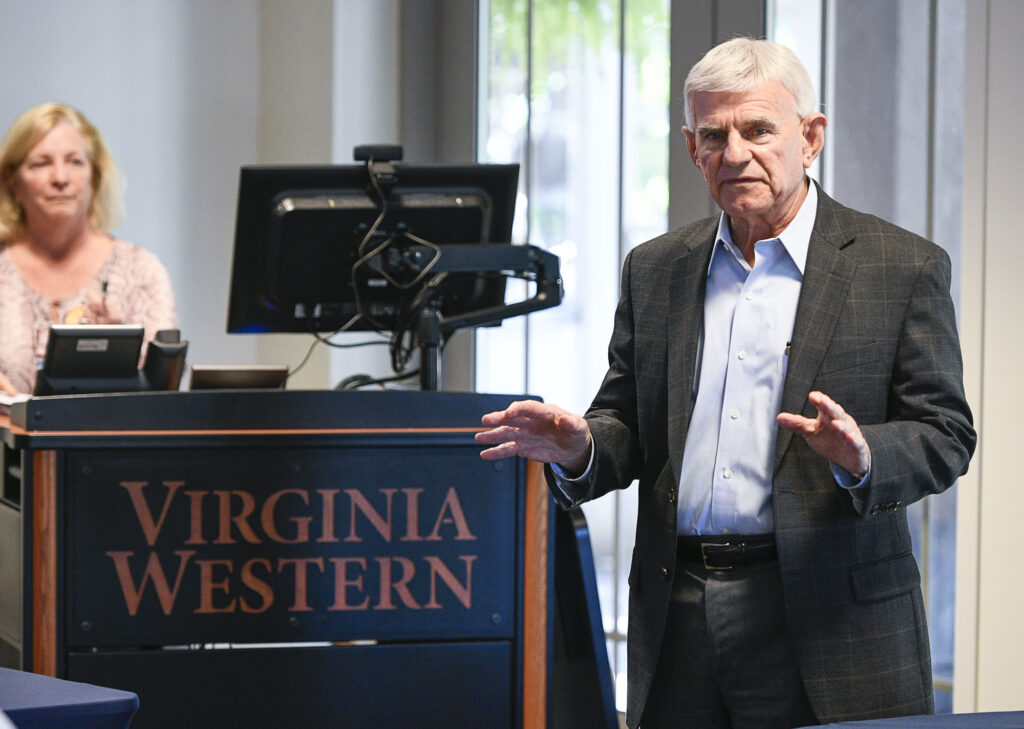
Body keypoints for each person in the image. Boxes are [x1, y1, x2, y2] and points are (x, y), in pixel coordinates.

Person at [476, 38, 976, 729]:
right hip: (676, 605)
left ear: (811, 138)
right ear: (691, 147)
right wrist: (583, 445)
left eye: (758, 129)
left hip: (828, 613)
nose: (734, 152)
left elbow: (946, 434)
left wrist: (864, 457)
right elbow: (628, 426)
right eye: (714, 135)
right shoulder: (655, 269)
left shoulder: (900, 267)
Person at [0, 102, 177, 395]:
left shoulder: (141, 272)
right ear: (13, 182)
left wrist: (121, 354)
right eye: (41, 163)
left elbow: (163, 391)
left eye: (75, 161)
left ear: (94, 177)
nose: (60, 178)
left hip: (111, 439)